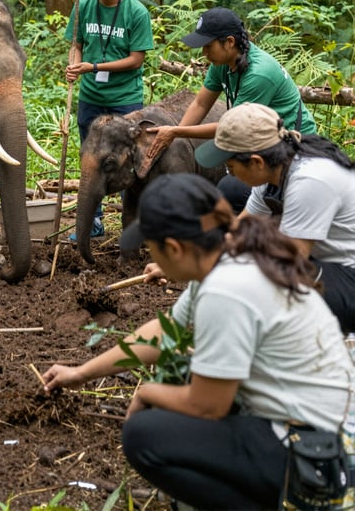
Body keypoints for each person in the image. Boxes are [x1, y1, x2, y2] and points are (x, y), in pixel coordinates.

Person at [41, 173, 352, 510]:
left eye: (152, 248)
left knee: (144, 436)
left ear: (174, 248)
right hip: (313, 428)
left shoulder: (226, 289)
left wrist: (146, 392)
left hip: (318, 451)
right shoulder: (231, 257)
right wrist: (80, 373)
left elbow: (208, 405)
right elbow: (163, 334)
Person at [194, 101, 355, 334]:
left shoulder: (310, 181)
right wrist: (193, 258)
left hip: (348, 274)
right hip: (329, 262)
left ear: (256, 162)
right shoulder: (277, 166)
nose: (231, 174)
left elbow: (289, 262)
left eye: (231, 166)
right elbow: (240, 229)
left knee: (273, 282)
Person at [145, 7, 316, 212]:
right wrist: (176, 137)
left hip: (292, 145)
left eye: (208, 46)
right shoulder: (223, 64)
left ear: (229, 42)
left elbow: (233, 128)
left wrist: (175, 132)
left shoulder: (259, 74)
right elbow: (200, 104)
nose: (204, 54)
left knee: (231, 190)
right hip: (259, 140)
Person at [64, 0, 154, 239]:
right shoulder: (83, 6)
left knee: (129, 160)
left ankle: (132, 223)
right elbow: (76, 42)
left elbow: (136, 59)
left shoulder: (136, 12)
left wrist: (94, 65)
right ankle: (94, 222)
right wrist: (75, 64)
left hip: (124, 98)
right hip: (91, 96)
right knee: (92, 160)